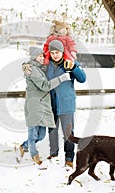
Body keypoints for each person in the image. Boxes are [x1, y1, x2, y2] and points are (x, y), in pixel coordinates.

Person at [23, 40, 86, 168]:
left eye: (57, 52)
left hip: (67, 104)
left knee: (68, 133)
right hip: (51, 104)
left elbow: (82, 79)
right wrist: (25, 65)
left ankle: (69, 158)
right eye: (52, 52)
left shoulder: (69, 63)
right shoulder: (46, 65)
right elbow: (34, 65)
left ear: (62, 52)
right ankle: (54, 154)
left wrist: (74, 68)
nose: (55, 55)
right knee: (52, 131)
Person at [19, 46, 71, 169]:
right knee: (33, 135)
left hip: (42, 105)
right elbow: (44, 85)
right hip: (34, 105)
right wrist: (61, 78)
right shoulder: (32, 70)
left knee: (41, 135)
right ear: (34, 57)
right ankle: (34, 156)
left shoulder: (38, 68)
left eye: (43, 55)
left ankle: (24, 146)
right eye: (40, 56)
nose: (43, 58)